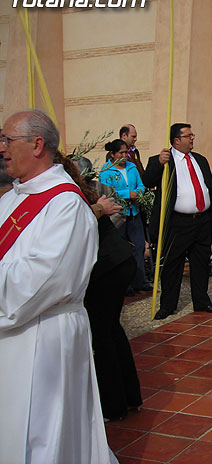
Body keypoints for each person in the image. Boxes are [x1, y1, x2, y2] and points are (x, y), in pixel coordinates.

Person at [0, 109, 114, 463]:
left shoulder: (66, 205)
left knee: (44, 433)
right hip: (13, 332)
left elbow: (44, 279)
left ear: (37, 145)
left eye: (7, 140)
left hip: (44, 334)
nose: (1, 148)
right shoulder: (10, 199)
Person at [60, 152, 143, 422]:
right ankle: (129, 396)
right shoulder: (76, 190)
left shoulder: (67, 195)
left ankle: (113, 405)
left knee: (101, 334)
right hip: (116, 262)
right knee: (111, 329)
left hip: (107, 267)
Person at [143, 123, 212, 320]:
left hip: (201, 221)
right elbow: (147, 181)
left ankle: (201, 301)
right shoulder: (164, 160)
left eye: (192, 134)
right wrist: (158, 165)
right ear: (176, 140)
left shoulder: (200, 160)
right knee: (172, 264)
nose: (192, 138)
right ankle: (168, 305)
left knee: (201, 263)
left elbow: (209, 186)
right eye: (188, 135)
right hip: (178, 223)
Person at [100, 138, 151, 293]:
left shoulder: (132, 167)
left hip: (133, 213)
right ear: (112, 154)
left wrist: (139, 193)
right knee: (122, 250)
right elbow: (107, 192)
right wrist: (126, 194)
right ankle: (125, 284)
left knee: (139, 247)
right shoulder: (106, 171)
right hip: (118, 214)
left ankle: (140, 280)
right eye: (121, 152)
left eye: (126, 152)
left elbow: (140, 185)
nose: (124, 155)